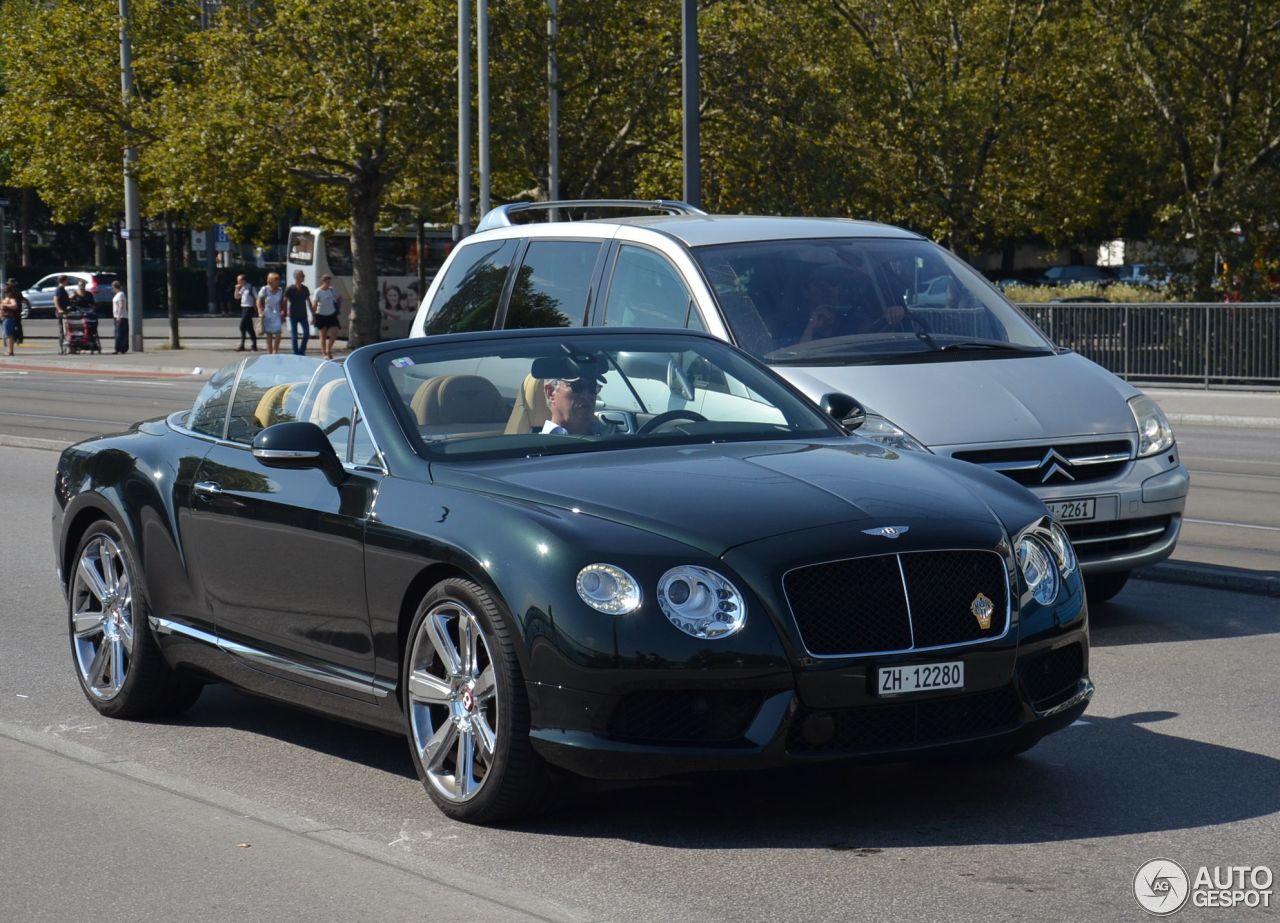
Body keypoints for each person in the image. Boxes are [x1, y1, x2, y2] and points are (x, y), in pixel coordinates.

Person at [310, 274, 340, 360]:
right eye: (327, 282)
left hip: (331, 314)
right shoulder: (318, 291)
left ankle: (328, 349)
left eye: (329, 282)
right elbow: (314, 305)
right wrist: (313, 317)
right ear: (323, 282)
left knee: (335, 332)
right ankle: (324, 352)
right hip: (321, 315)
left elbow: (336, 300)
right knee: (323, 334)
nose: (328, 283)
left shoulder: (331, 290)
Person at [257, 271, 286, 355]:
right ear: (270, 281)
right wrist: (260, 311)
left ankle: (275, 351)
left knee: (278, 333)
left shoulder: (280, 290)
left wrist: (283, 311)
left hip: (276, 313)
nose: (278, 281)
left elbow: (281, 302)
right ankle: (269, 353)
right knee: (269, 334)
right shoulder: (265, 289)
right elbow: (258, 300)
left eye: (278, 280)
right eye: (276, 280)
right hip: (267, 313)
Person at [284, 270, 311, 355]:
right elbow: (285, 301)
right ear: (297, 277)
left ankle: (301, 350)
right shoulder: (290, 289)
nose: (304, 277)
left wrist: (313, 315)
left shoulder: (305, 289)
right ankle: (296, 353)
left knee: (306, 333)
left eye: (303, 275)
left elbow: (309, 302)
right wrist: (284, 311)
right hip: (293, 314)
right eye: (302, 276)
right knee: (294, 335)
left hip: (303, 314)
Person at [235, 273, 258, 351]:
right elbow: (237, 297)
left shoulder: (251, 287)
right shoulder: (242, 288)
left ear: (244, 280)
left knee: (242, 326)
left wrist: (258, 308)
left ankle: (242, 344)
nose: (238, 282)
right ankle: (253, 345)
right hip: (243, 308)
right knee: (249, 328)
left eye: (239, 280)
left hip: (249, 308)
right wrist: (237, 289)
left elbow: (257, 297)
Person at [1, 283, 21, 356]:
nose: (5, 294)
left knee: (9, 335)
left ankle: (10, 351)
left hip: (9, 318)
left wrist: (6, 305)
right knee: (7, 335)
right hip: (5, 318)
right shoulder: (6, 299)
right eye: (4, 292)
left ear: (10, 292)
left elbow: (15, 306)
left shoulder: (11, 299)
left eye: (6, 292)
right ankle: (9, 350)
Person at [111, 280, 128, 354]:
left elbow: (121, 305)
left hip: (121, 316)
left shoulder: (121, 294)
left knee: (120, 333)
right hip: (117, 316)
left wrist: (118, 315)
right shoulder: (117, 294)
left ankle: (120, 348)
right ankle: (118, 348)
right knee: (118, 332)